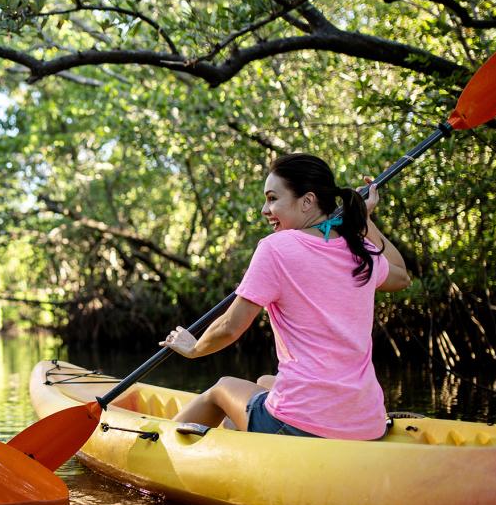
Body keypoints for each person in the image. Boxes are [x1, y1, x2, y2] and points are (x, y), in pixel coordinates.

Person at [159, 153, 411, 439]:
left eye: (272, 198)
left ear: (307, 201)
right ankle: (238, 434)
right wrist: (365, 220)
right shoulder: (359, 249)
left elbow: (230, 327)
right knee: (266, 381)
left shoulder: (276, 248)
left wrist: (194, 349)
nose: (265, 209)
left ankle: (159, 444)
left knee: (221, 388)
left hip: (302, 424)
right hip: (367, 423)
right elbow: (401, 275)